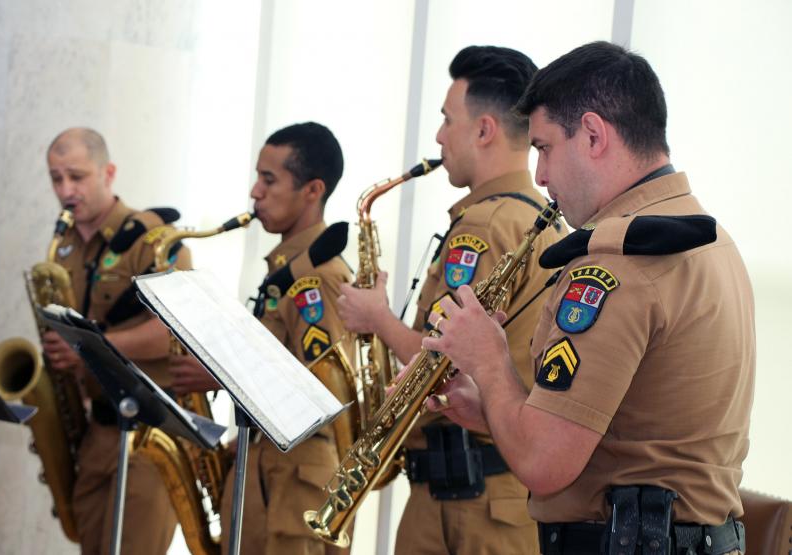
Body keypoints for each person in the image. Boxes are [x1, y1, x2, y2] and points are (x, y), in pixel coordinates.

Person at [425, 41, 752, 555]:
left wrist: (489, 363)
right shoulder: (706, 237)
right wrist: (496, 407)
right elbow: (632, 436)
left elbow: (543, 464)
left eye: (545, 147)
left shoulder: (617, 262)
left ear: (595, 135)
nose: (540, 176)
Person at [337, 46, 565, 555]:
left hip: (463, 506)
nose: (439, 136)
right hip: (497, 499)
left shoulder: (484, 225)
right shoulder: (534, 220)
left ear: (484, 130)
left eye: (446, 119)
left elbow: (442, 360)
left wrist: (376, 317)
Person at [167, 122, 352, 555]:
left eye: (269, 180)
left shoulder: (317, 278)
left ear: (312, 190)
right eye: (257, 177)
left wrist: (219, 374)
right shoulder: (286, 269)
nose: (255, 192)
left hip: (294, 484)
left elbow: (322, 390)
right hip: (267, 468)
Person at [41, 127, 186, 555]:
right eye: (55, 178)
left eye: (77, 176)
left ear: (109, 172)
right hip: (99, 431)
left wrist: (88, 347)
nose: (66, 190)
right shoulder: (63, 247)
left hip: (151, 436)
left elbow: (174, 330)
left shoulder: (154, 239)